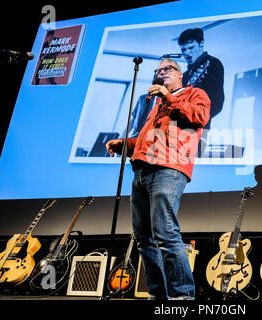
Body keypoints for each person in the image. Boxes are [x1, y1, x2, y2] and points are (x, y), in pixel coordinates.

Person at [106, 58, 210, 300]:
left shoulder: (194, 94)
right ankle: (158, 294)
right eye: (158, 70)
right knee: (143, 238)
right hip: (141, 171)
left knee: (166, 232)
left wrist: (168, 97)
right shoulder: (156, 106)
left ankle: (182, 296)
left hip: (168, 168)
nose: (161, 73)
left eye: (167, 69)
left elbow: (199, 117)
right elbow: (147, 140)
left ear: (180, 74)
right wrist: (124, 144)